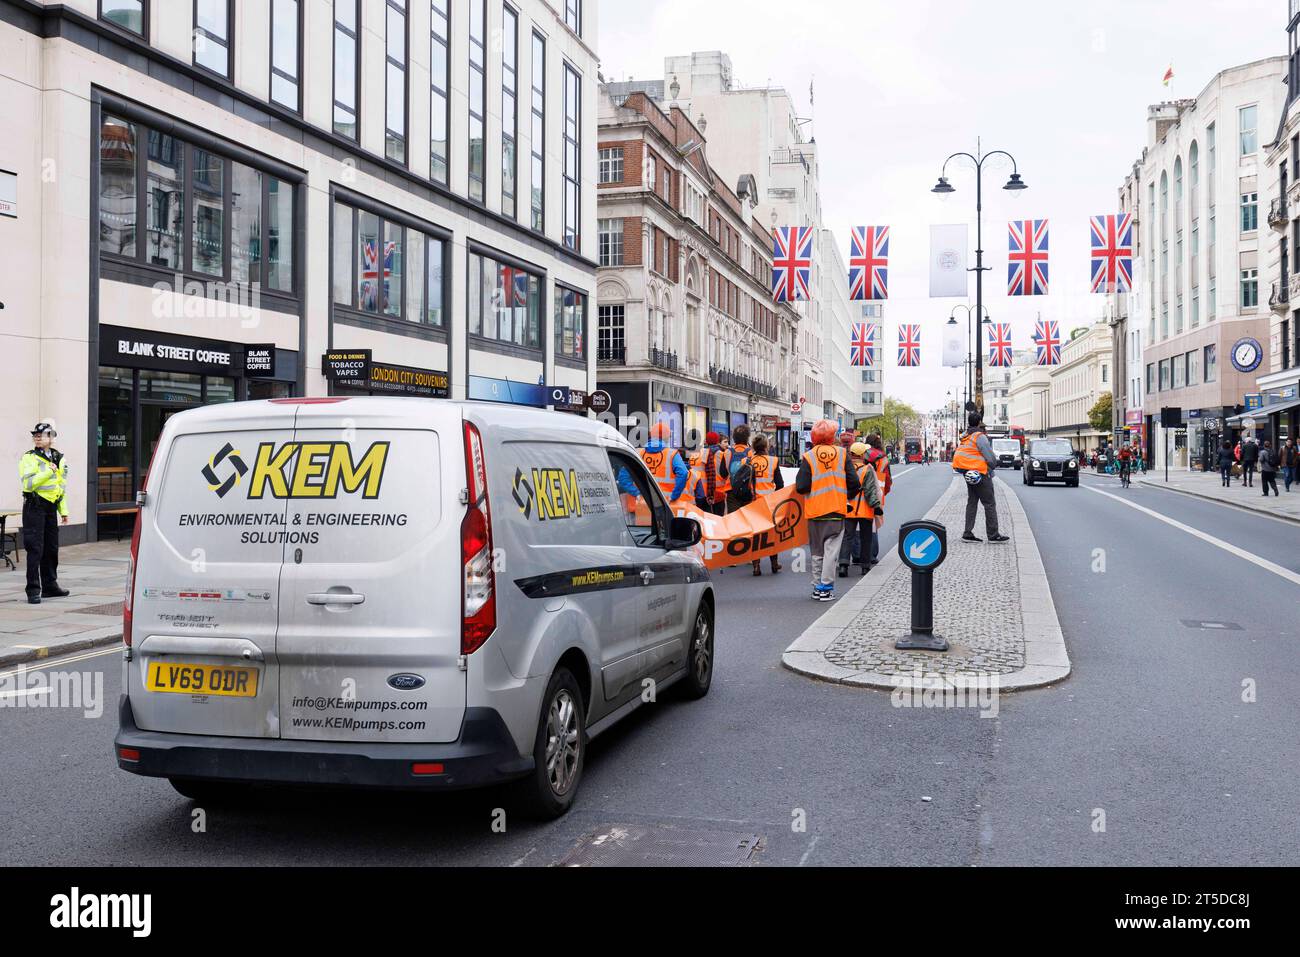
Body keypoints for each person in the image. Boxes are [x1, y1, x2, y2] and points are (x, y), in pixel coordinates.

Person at [796, 419, 874, 601]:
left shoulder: (809, 456)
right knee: (831, 550)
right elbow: (854, 483)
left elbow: (801, 486)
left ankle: (816, 587)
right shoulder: (842, 454)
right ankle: (826, 587)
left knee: (816, 551)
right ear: (833, 436)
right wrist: (845, 496)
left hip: (815, 511)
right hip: (836, 510)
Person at [19, 423, 70, 604]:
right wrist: (49, 471)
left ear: (52, 437)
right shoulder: (29, 458)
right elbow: (29, 484)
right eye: (36, 435)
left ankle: (50, 586)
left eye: (42, 434)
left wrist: (63, 510)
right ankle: (33, 589)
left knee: (51, 548)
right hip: (34, 506)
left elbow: (61, 486)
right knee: (35, 548)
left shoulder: (59, 458)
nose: (37, 437)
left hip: (50, 508)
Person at [952, 412, 1008, 543]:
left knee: (972, 502)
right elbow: (990, 457)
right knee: (989, 503)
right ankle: (993, 535)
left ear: (969, 423)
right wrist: (993, 465)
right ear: (979, 423)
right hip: (981, 474)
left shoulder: (966, 436)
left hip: (969, 474)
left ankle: (967, 532)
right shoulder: (979, 437)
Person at [838, 441, 883, 577]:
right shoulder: (867, 469)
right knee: (866, 538)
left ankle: (843, 565)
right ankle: (865, 566)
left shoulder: (844, 468)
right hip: (865, 510)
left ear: (851, 454)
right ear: (862, 454)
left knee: (847, 537)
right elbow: (870, 491)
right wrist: (876, 506)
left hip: (848, 509)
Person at [749, 434, 784, 576]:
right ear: (766, 446)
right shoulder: (773, 461)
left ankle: (756, 566)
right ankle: (774, 564)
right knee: (771, 534)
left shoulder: (748, 460)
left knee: (756, 534)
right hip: (769, 503)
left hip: (753, 503)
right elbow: (780, 484)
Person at [640, 422, 689, 503]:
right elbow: (683, 473)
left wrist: (637, 493)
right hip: (666, 503)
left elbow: (624, 477)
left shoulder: (640, 453)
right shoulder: (672, 454)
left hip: (644, 502)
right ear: (666, 438)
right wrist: (674, 496)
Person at [865, 433, 892, 566]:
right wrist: (884, 492)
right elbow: (887, 478)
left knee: (861, 524)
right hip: (878, 491)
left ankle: (858, 554)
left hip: (862, 492)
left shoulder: (863, 455)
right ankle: (872, 555)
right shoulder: (883, 458)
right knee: (874, 524)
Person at [720, 424, 754, 515]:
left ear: (734, 438)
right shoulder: (751, 452)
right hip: (747, 490)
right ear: (747, 438)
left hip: (731, 490)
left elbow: (722, 473)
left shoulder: (727, 452)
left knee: (733, 519)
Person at [699, 431, 729, 515]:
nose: (727, 444)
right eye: (725, 442)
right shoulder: (722, 454)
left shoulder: (703, 453)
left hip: (706, 491)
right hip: (719, 491)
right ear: (717, 442)